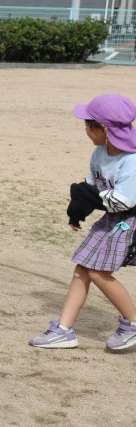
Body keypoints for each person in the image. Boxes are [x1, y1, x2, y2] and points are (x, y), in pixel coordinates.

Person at [31, 94, 136, 351]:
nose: (86, 130)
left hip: (129, 221)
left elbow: (123, 202)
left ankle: (133, 324)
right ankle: (64, 330)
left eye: (89, 125)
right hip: (112, 218)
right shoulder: (99, 153)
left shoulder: (132, 160)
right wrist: (76, 210)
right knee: (83, 268)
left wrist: (89, 195)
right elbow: (91, 185)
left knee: (98, 272)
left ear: (103, 129)